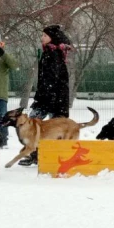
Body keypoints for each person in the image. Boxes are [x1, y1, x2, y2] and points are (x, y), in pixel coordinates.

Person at [19, 25, 72, 166]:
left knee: (35, 126)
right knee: (39, 127)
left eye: (44, 35)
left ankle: (47, 156)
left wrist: (46, 98)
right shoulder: (51, 52)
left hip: (51, 98)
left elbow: (52, 79)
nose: (41, 37)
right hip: (50, 97)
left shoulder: (53, 54)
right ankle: (38, 155)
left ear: (51, 38)